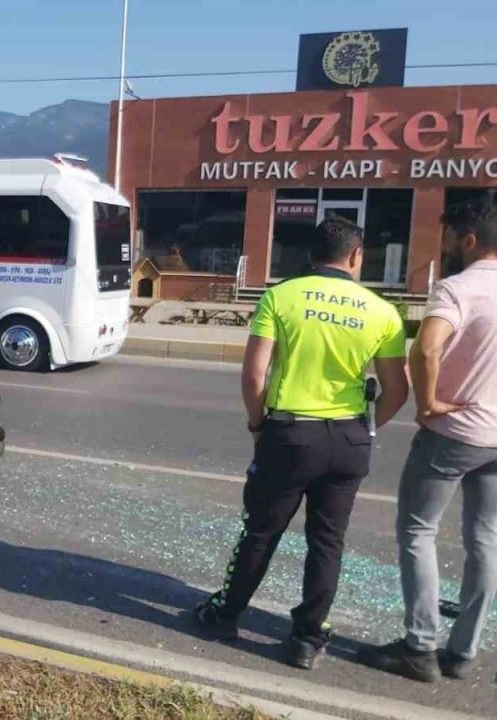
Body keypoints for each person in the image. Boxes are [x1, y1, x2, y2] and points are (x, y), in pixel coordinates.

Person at [195, 216, 409, 670]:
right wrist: (366, 429)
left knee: (261, 531)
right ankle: (307, 639)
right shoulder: (383, 311)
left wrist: (258, 426)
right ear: (356, 256)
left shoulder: (281, 296)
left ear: (311, 255)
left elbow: (254, 375)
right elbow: (397, 390)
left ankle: (226, 614)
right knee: (328, 542)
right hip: (348, 438)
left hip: (290, 434)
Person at [360, 199, 497, 683]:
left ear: (468, 240)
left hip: (456, 433)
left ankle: (420, 647)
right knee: (485, 537)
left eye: (450, 237)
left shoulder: (456, 289)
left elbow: (426, 348)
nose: (445, 246)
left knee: (418, 530)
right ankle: (462, 651)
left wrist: (429, 402)